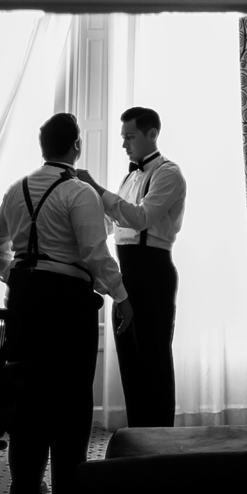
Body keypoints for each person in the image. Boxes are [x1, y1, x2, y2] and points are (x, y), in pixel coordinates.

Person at [0, 113, 134, 494]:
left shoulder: (15, 188)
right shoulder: (79, 192)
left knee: (28, 393)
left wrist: (13, 276)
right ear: (76, 146)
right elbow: (93, 253)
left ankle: (25, 483)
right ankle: (68, 488)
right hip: (67, 303)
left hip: (23, 299)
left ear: (43, 148)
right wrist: (121, 296)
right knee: (70, 397)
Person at [75, 106, 186, 429]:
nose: (124, 144)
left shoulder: (168, 173)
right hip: (126, 273)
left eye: (130, 137)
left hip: (153, 272)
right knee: (130, 359)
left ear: (152, 135)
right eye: (123, 137)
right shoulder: (129, 176)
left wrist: (96, 187)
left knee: (153, 359)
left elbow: (140, 218)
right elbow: (114, 224)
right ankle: (138, 438)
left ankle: (160, 441)